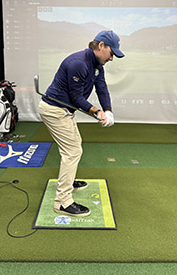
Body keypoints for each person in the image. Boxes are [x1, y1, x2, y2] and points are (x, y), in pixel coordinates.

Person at [39, 30, 124, 217]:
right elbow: (76, 97)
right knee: (73, 151)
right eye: (111, 53)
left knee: (74, 148)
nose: (112, 58)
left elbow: (101, 87)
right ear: (101, 46)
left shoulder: (96, 63)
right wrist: (97, 113)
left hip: (64, 111)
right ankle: (62, 202)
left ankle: (67, 182)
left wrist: (108, 109)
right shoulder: (79, 63)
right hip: (54, 110)